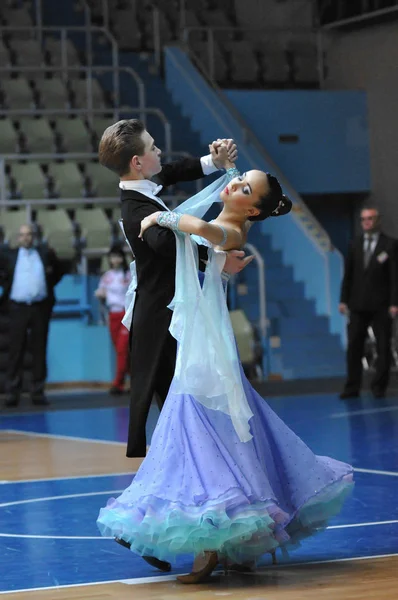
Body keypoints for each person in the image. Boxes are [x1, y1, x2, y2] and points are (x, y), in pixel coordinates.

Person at [97, 154, 354, 584]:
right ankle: (238, 543)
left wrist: (159, 221)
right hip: (202, 334)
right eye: (238, 183)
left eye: (244, 188)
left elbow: (199, 229)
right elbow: (199, 235)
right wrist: (188, 204)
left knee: (200, 431)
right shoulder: (230, 221)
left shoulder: (233, 227)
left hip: (206, 338)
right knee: (222, 433)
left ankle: (212, 544)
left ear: (252, 209)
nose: (233, 186)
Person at [98, 119, 253, 463]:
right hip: (160, 319)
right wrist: (216, 260)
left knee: (184, 402)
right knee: (177, 400)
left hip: (168, 310)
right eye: (152, 147)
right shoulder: (136, 210)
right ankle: (192, 478)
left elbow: (172, 171)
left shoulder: (140, 186)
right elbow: (166, 245)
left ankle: (197, 471)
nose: (159, 151)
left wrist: (214, 161)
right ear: (137, 163)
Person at [0, 224, 63, 407]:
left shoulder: (44, 254)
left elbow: (60, 270)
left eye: (29, 234)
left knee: (39, 350)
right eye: (22, 235)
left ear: (34, 237)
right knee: (15, 351)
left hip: (39, 308)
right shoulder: (9, 256)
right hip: (17, 308)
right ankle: (12, 392)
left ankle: (37, 392)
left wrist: (49, 285)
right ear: (18, 238)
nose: (26, 238)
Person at [339, 207, 398, 400]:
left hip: (381, 305)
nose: (366, 222)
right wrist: (343, 299)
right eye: (363, 219)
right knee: (354, 346)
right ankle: (352, 387)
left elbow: (395, 277)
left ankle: (379, 386)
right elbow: (348, 275)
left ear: (377, 220)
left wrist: (394, 303)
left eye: (370, 218)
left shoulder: (390, 244)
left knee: (383, 347)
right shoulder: (354, 244)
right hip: (357, 305)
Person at [95, 246, 131, 395]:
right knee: (119, 350)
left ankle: (118, 383)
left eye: (118, 256)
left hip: (125, 313)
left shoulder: (128, 275)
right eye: (113, 256)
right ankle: (134, 380)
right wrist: (100, 294)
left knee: (123, 349)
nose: (115, 259)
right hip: (113, 315)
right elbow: (101, 291)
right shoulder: (106, 276)